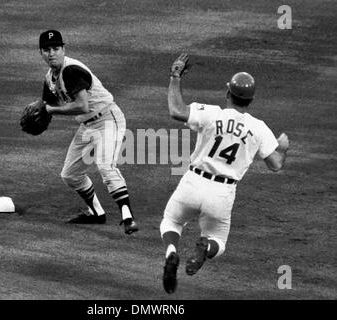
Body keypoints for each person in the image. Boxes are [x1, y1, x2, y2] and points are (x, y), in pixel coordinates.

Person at [160, 53, 289, 294]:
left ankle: (171, 252)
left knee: (172, 221)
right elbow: (276, 164)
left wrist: (175, 76)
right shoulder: (259, 128)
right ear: (251, 100)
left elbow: (176, 111)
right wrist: (283, 147)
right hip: (222, 192)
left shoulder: (211, 113)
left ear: (228, 93)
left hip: (193, 182)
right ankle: (204, 247)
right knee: (218, 242)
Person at [35, 29, 138, 235]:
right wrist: (37, 110)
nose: (51, 53)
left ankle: (128, 217)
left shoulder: (71, 70)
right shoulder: (50, 77)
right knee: (70, 174)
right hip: (88, 127)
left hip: (109, 119)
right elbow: (48, 103)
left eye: (56, 48)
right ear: (41, 53)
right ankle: (96, 213)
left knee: (106, 166)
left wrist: (49, 110)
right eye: (46, 50)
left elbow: (82, 106)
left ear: (64, 49)